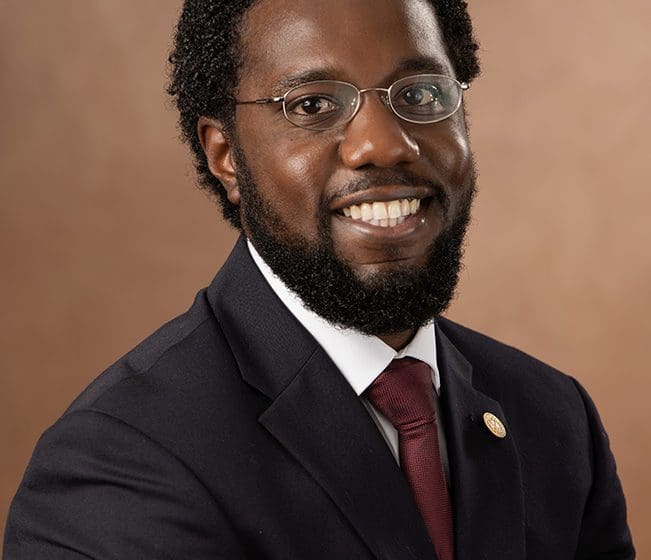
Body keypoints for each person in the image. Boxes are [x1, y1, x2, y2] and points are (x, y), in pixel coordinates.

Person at [4, 0, 635, 558]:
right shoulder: (121, 463)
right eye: (313, 105)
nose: (383, 145)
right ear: (225, 155)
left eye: (419, 93)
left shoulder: (554, 420)